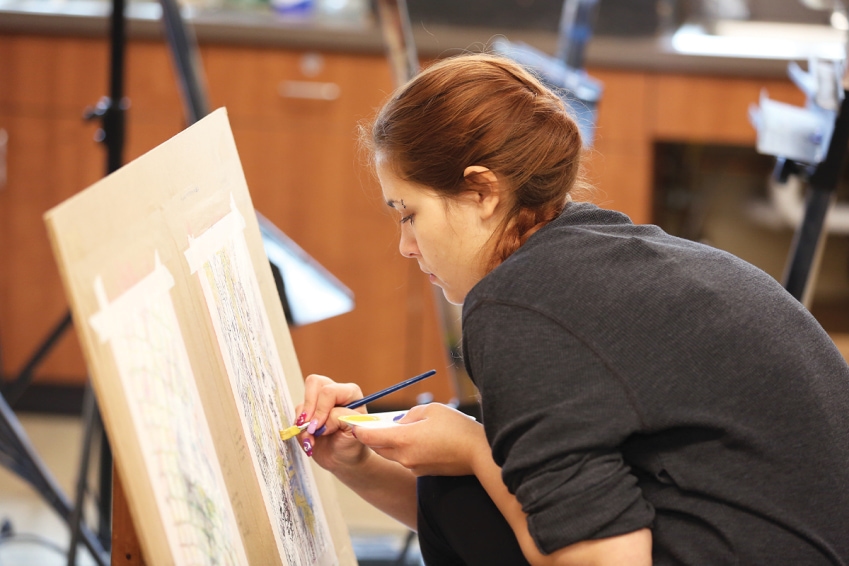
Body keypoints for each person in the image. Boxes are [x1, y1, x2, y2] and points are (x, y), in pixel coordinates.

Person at [293, 52, 849, 565]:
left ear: (482, 193)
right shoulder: (590, 256)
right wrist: (357, 463)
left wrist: (472, 448)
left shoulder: (519, 307)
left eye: (409, 214)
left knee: (474, 460)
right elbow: (483, 505)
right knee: (466, 472)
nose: (405, 246)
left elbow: (604, 561)